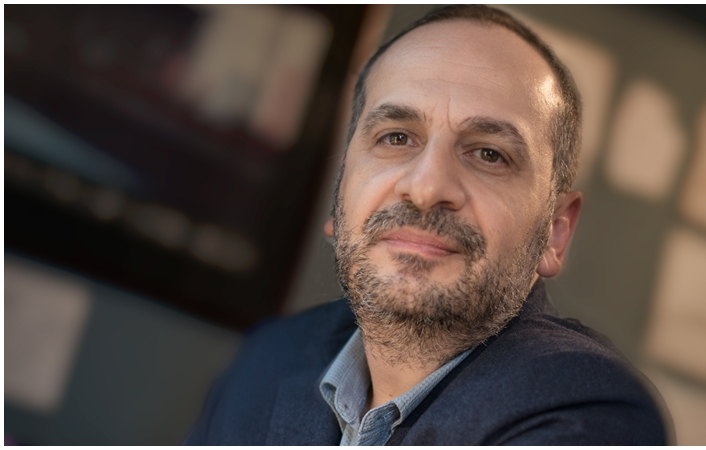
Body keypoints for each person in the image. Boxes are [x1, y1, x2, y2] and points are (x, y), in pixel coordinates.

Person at [186, 5, 668, 445]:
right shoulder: (266, 360)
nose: (426, 187)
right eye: (396, 137)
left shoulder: (587, 414)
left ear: (556, 231)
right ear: (340, 193)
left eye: (489, 154)